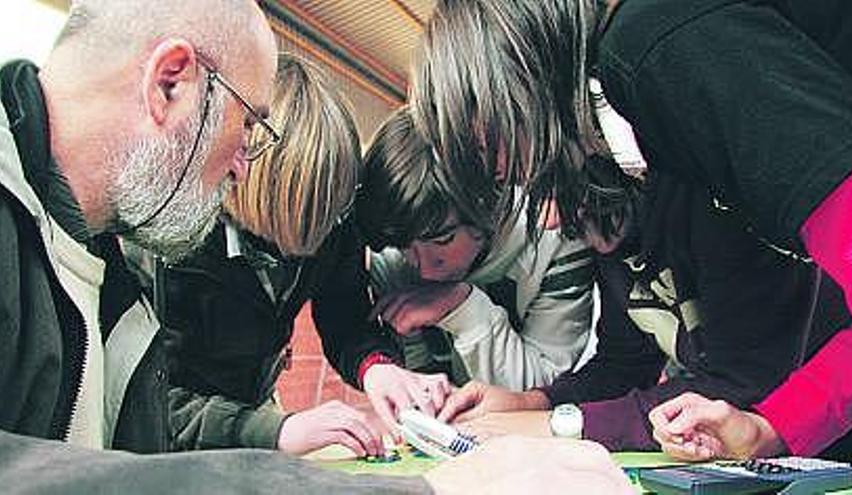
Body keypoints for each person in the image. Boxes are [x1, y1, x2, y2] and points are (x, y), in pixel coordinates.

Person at [0, 1, 627, 492]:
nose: (243, 164)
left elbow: (130, 436)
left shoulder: (102, 234)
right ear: (171, 84)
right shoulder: (155, 234)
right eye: (249, 126)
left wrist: (374, 367)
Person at [410, 0, 852, 474]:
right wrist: (773, 426)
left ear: (506, 84)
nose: (496, 169)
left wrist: (556, 424)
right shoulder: (648, 119)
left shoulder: (658, 45)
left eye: (481, 145)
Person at [159, 53, 450, 456]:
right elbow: (147, 405)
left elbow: (343, 312)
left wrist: (376, 367)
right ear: (250, 178)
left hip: (255, 410)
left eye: (333, 216)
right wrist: (272, 431)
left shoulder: (334, 221)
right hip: (178, 440)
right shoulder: (175, 247)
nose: (320, 243)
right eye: (305, 221)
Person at [359, 107, 596, 391]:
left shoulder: (555, 235)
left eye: (442, 240)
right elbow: (418, 376)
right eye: (405, 247)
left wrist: (464, 310)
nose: (423, 268)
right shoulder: (392, 251)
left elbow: (544, 390)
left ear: (487, 205)